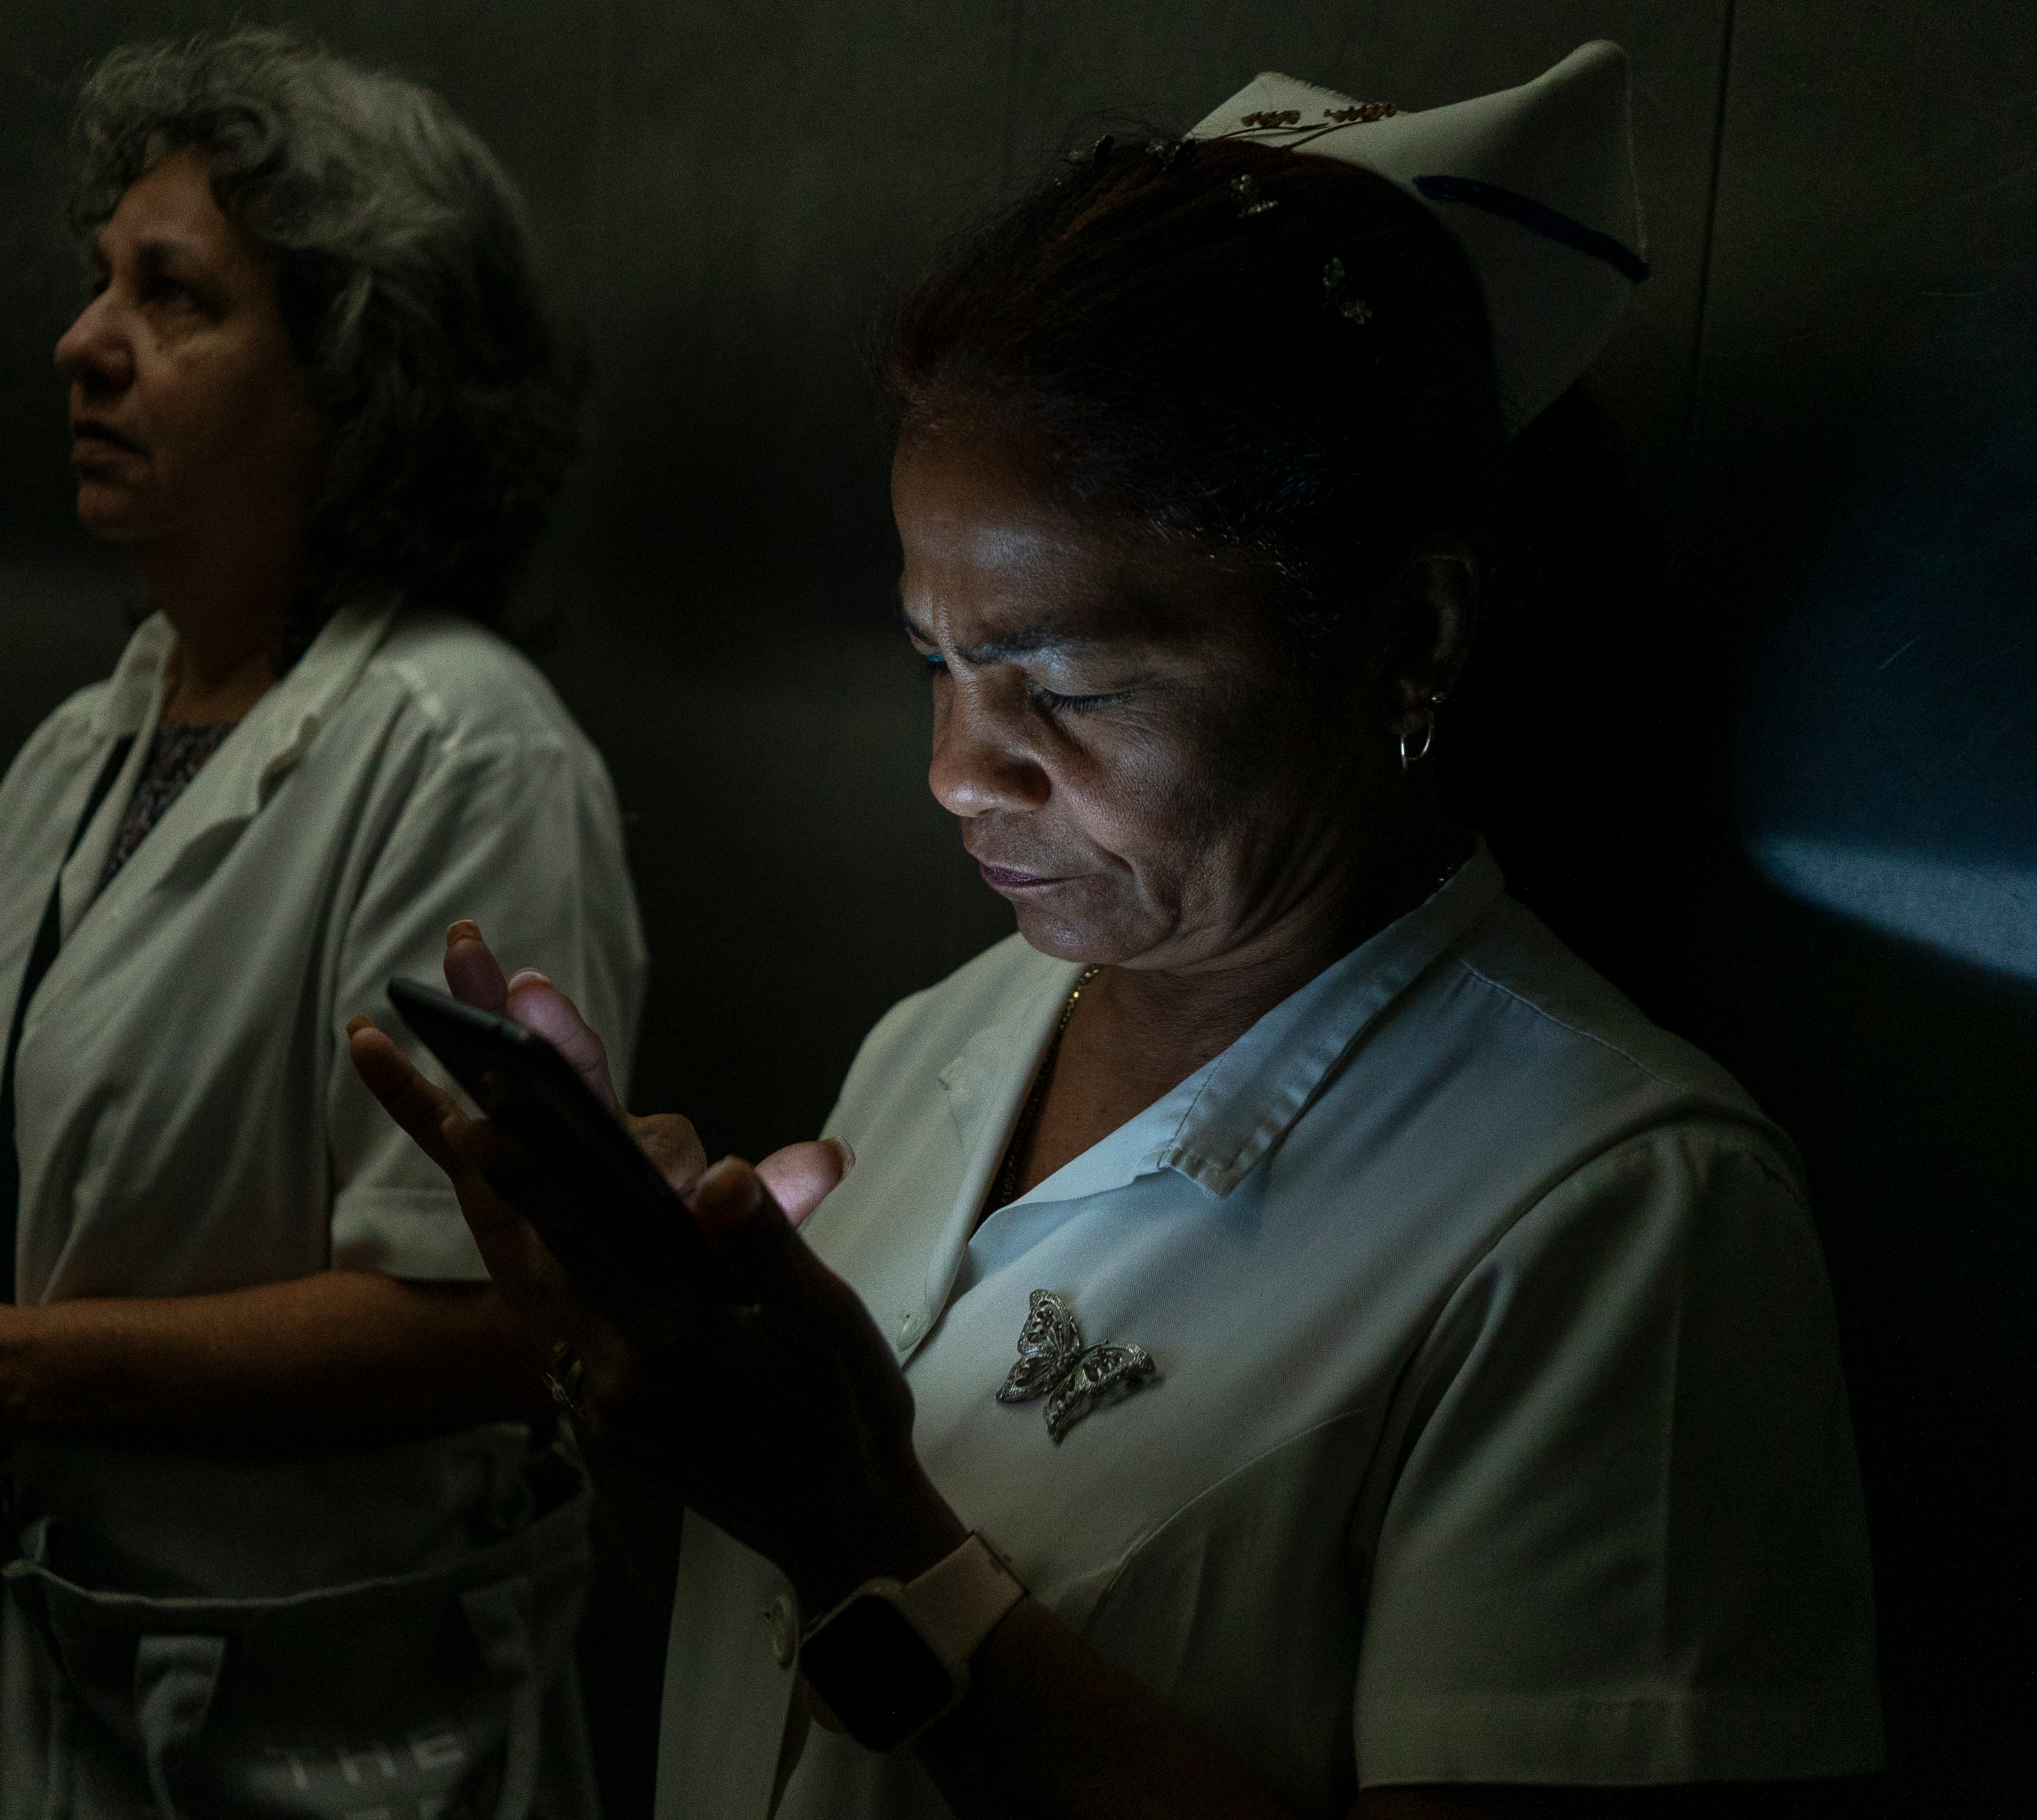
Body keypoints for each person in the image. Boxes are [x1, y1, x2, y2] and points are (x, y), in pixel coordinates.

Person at [347, 44, 1883, 1820]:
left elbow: (863, 1599)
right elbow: (768, 1686)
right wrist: (637, 1380)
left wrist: (869, 1535)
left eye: (1066, 688)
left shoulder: (1618, 1222)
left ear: (1412, 642)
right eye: (938, 663)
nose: (956, 775)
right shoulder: (944, 1041)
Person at [0, 28, 640, 1820]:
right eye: (100, 280)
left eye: (172, 296)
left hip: (310, 1716)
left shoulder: (465, 747)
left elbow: (488, 1314)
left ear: (358, 367)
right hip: (37, 1671)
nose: (81, 341)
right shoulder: (92, 737)